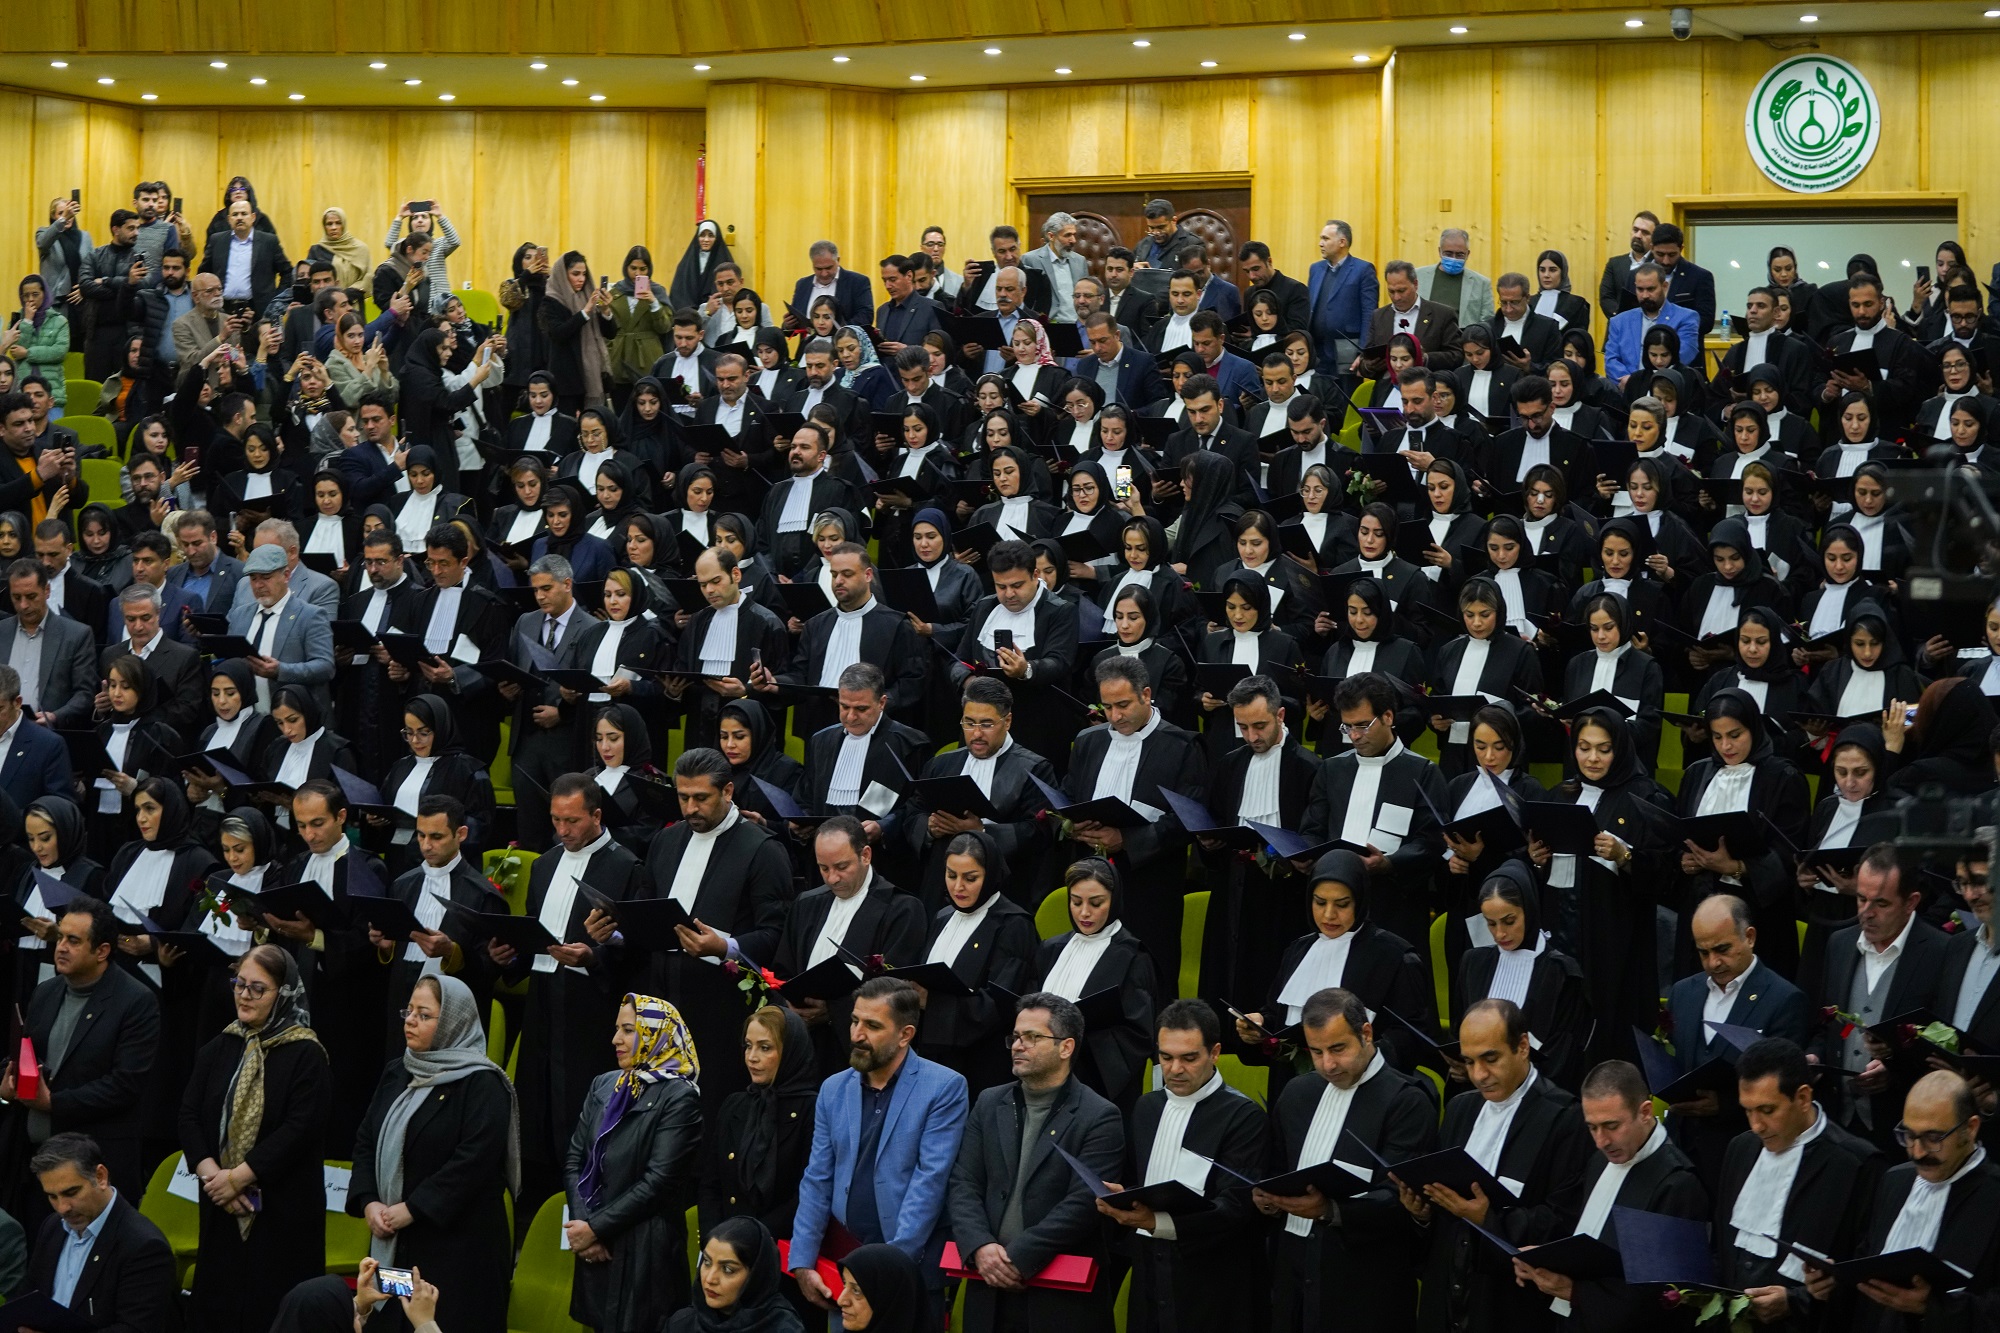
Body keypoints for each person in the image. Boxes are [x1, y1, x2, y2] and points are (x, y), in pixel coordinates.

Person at [493, 773, 644, 1207]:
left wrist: (594, 957)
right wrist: (510, 956)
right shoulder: (543, 866)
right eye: (556, 820)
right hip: (542, 1002)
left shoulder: (626, 867)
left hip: (591, 1011)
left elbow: (639, 952)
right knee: (537, 1107)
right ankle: (534, 1210)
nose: (562, 830)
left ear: (596, 815)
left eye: (572, 821)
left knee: (579, 1114)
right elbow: (536, 938)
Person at [1402, 998, 1591, 1332]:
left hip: (1510, 1306)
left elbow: (1562, 1222)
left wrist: (1487, 1219)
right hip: (1445, 1298)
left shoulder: (1565, 1118)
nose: (1479, 1075)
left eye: (1490, 1059)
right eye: (1469, 1061)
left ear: (1522, 1046)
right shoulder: (1460, 1109)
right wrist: (1422, 1214)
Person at [1258, 985, 1439, 1330]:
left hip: (1364, 1288)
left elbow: (1399, 1200)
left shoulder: (1408, 1101)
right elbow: (1276, 1170)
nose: (1328, 1064)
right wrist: (1266, 1199)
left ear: (1366, 1033)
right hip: (1291, 1278)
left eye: (1338, 1048)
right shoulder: (1297, 1093)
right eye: (1316, 1051)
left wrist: (1330, 1210)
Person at [788, 976, 969, 1318]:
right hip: (844, 1266)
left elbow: (929, 1183)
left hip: (909, 1269)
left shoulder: (944, 1087)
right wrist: (802, 1260)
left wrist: (888, 1268)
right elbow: (817, 1178)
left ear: (905, 1034)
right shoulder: (832, 1089)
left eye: (872, 1026)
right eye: (854, 1021)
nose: (857, 1034)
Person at [624, 747, 791, 1116]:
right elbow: (644, 909)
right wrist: (614, 932)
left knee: (711, 1111)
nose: (690, 808)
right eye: (683, 797)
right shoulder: (666, 841)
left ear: (727, 791)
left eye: (701, 798)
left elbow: (777, 933)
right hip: (663, 999)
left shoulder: (763, 849)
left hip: (722, 1009)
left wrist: (725, 947)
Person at [350, 974, 518, 1333]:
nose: (410, 1020)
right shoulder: (399, 1071)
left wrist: (413, 1209)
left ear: (453, 1023)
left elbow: (473, 1163)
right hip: (396, 1241)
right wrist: (369, 1201)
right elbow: (366, 1139)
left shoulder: (483, 1084)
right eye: (408, 1011)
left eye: (424, 1015)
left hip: (459, 1252)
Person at [947, 990, 1123, 1333]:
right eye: (1015, 1036)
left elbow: (1084, 1202)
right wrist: (980, 1246)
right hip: (988, 1288)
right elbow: (964, 1181)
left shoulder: (1100, 1115)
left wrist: (1017, 1257)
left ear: (1066, 1047)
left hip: (1061, 1298)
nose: (1017, 1045)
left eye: (1031, 1037)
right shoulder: (989, 1102)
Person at [176, 943, 329, 1333]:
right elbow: (189, 1115)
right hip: (220, 1204)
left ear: (284, 992)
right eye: (239, 984)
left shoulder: (307, 1054)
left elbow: (299, 1130)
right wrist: (215, 1177)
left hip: (282, 1210)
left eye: (257, 989)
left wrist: (239, 1177)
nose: (244, 995)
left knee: (273, 1312)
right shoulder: (220, 1046)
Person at [1102, 999, 1267, 1333]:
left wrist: (1156, 1222)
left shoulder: (1244, 1116)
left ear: (1215, 1052)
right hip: (1149, 1272)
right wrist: (1124, 1197)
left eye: (1189, 1058)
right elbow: (1138, 1180)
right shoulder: (1146, 1107)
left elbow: (1235, 1209)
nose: (1175, 1069)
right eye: (1166, 1057)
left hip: (1211, 1282)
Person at [1508, 1060, 1708, 1324]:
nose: (1601, 1141)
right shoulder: (1601, 1159)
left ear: (1645, 1112)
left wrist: (1574, 1292)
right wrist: (1543, 1258)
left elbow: (1662, 1297)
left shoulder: (1678, 1185)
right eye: (1592, 1127)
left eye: (1612, 1126)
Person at [1802, 1070, 2000, 1331]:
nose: (1917, 1152)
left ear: (1970, 1128)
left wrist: (1931, 1308)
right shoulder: (1895, 1180)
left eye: (1933, 1138)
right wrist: (1834, 1282)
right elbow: (1868, 1260)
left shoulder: (1993, 1195)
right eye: (1909, 1135)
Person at [1714, 1037, 1885, 1330]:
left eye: (1767, 1110)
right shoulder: (1740, 1148)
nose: (1756, 1126)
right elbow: (1721, 1242)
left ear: (1803, 1098)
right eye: (1748, 1110)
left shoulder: (1857, 1164)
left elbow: (1865, 1272)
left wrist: (1797, 1301)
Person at [1237, 849, 1433, 1096]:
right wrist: (1260, 1025)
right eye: (1320, 902)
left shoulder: (1395, 956)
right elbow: (1278, 1015)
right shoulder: (1298, 950)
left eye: (1342, 904)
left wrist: (1362, 1056)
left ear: (1360, 900)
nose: (1329, 914)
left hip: (1363, 1090)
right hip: (1294, 1089)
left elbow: (1412, 1035)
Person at [564, 993, 704, 1333]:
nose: (616, 1039)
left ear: (657, 1035)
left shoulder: (680, 1096)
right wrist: (585, 1229)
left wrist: (594, 1229)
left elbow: (658, 1182)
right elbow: (574, 1161)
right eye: (617, 1029)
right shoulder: (604, 1084)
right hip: (596, 1246)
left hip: (646, 1254)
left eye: (628, 1030)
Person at [3, 896, 161, 1196]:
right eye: (60, 937)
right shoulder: (46, 991)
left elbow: (125, 1085)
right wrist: (7, 1079)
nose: (61, 947)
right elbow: (25, 1053)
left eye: (73, 941)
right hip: (32, 1161)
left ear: (102, 951)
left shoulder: (136, 1001)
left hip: (93, 1167)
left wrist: (54, 1102)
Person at [1805, 844, 1950, 1149]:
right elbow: (1827, 1027)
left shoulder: (1942, 953)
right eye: (1861, 899)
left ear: (1911, 902)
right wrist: (1817, 1056)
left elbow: (1946, 1044)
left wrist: (1895, 1068)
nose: (1866, 913)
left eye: (1881, 903)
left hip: (1903, 1133)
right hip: (1837, 1125)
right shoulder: (1839, 944)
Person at [1663, 894, 1812, 1187]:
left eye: (1722, 949)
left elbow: (1786, 1091)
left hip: (1744, 1155)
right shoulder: (1682, 993)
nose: (1713, 962)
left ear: (1750, 937)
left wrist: (1725, 1104)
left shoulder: (1784, 1000)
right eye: (1703, 952)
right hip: (1682, 1153)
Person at [1300, 672, 1448, 965]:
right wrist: (1305, 854)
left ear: (1388, 717)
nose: (1354, 736)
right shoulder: (1331, 770)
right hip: (1337, 906)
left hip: (1396, 905)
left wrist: (1389, 863)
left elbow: (1431, 842)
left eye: (1362, 725)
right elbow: (1313, 828)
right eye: (1347, 727)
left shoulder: (1423, 772)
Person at [772, 816, 928, 1076]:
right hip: (802, 1050)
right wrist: (790, 1006)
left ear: (865, 855)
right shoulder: (806, 904)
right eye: (823, 868)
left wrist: (832, 1011)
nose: (832, 878)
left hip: (859, 1054)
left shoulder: (902, 910)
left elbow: (895, 992)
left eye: (842, 866)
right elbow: (782, 971)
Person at [1452, 863, 1590, 1094]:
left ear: (1530, 910)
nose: (1500, 933)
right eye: (1491, 923)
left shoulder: (1562, 972)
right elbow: (1460, 1031)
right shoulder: (1473, 963)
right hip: (1479, 1094)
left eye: (1509, 921)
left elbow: (1562, 1058)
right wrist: (1463, 1065)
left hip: (1538, 1099)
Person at [23, 1132, 175, 1333]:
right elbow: (30, 1296)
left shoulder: (144, 1246)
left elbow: (135, 1328)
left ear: (100, 1177)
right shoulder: (52, 1227)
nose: (62, 1208)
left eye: (71, 1192)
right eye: (52, 1196)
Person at [699, 1005, 818, 1254]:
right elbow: (711, 1184)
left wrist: (748, 1241)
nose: (752, 1057)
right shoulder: (735, 1105)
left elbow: (807, 1193)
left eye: (765, 1048)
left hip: (776, 1250)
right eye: (748, 1046)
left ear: (790, 1051)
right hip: (722, 1249)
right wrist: (714, 1241)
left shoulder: (812, 1108)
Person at [671, 1215, 806, 1333]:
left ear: (755, 1277)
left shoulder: (784, 1327)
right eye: (706, 1262)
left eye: (728, 1269)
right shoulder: (681, 1323)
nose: (710, 1279)